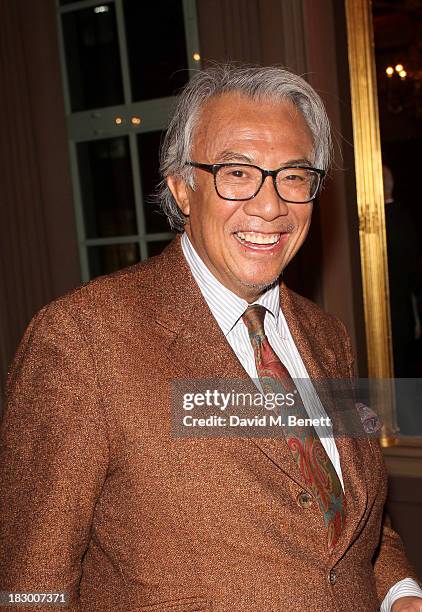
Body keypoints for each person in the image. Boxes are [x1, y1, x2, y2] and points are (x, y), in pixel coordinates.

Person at [1, 64, 421, 611]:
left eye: (294, 175)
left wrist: (400, 593)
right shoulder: (82, 341)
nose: (271, 206)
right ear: (182, 188)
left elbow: (351, 522)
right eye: (237, 173)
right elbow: (31, 588)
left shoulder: (326, 335)